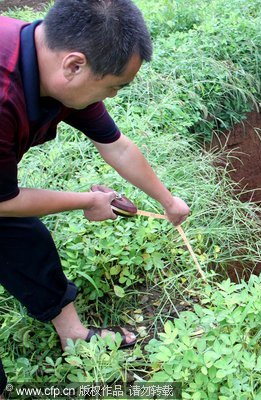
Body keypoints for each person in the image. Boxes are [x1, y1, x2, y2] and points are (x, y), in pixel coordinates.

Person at [0, 0, 190, 396]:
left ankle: (74, 335)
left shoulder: (48, 59)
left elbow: (116, 145)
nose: (115, 97)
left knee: (25, 238)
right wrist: (86, 201)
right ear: (74, 65)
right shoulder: (4, 97)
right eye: (114, 86)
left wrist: (167, 201)